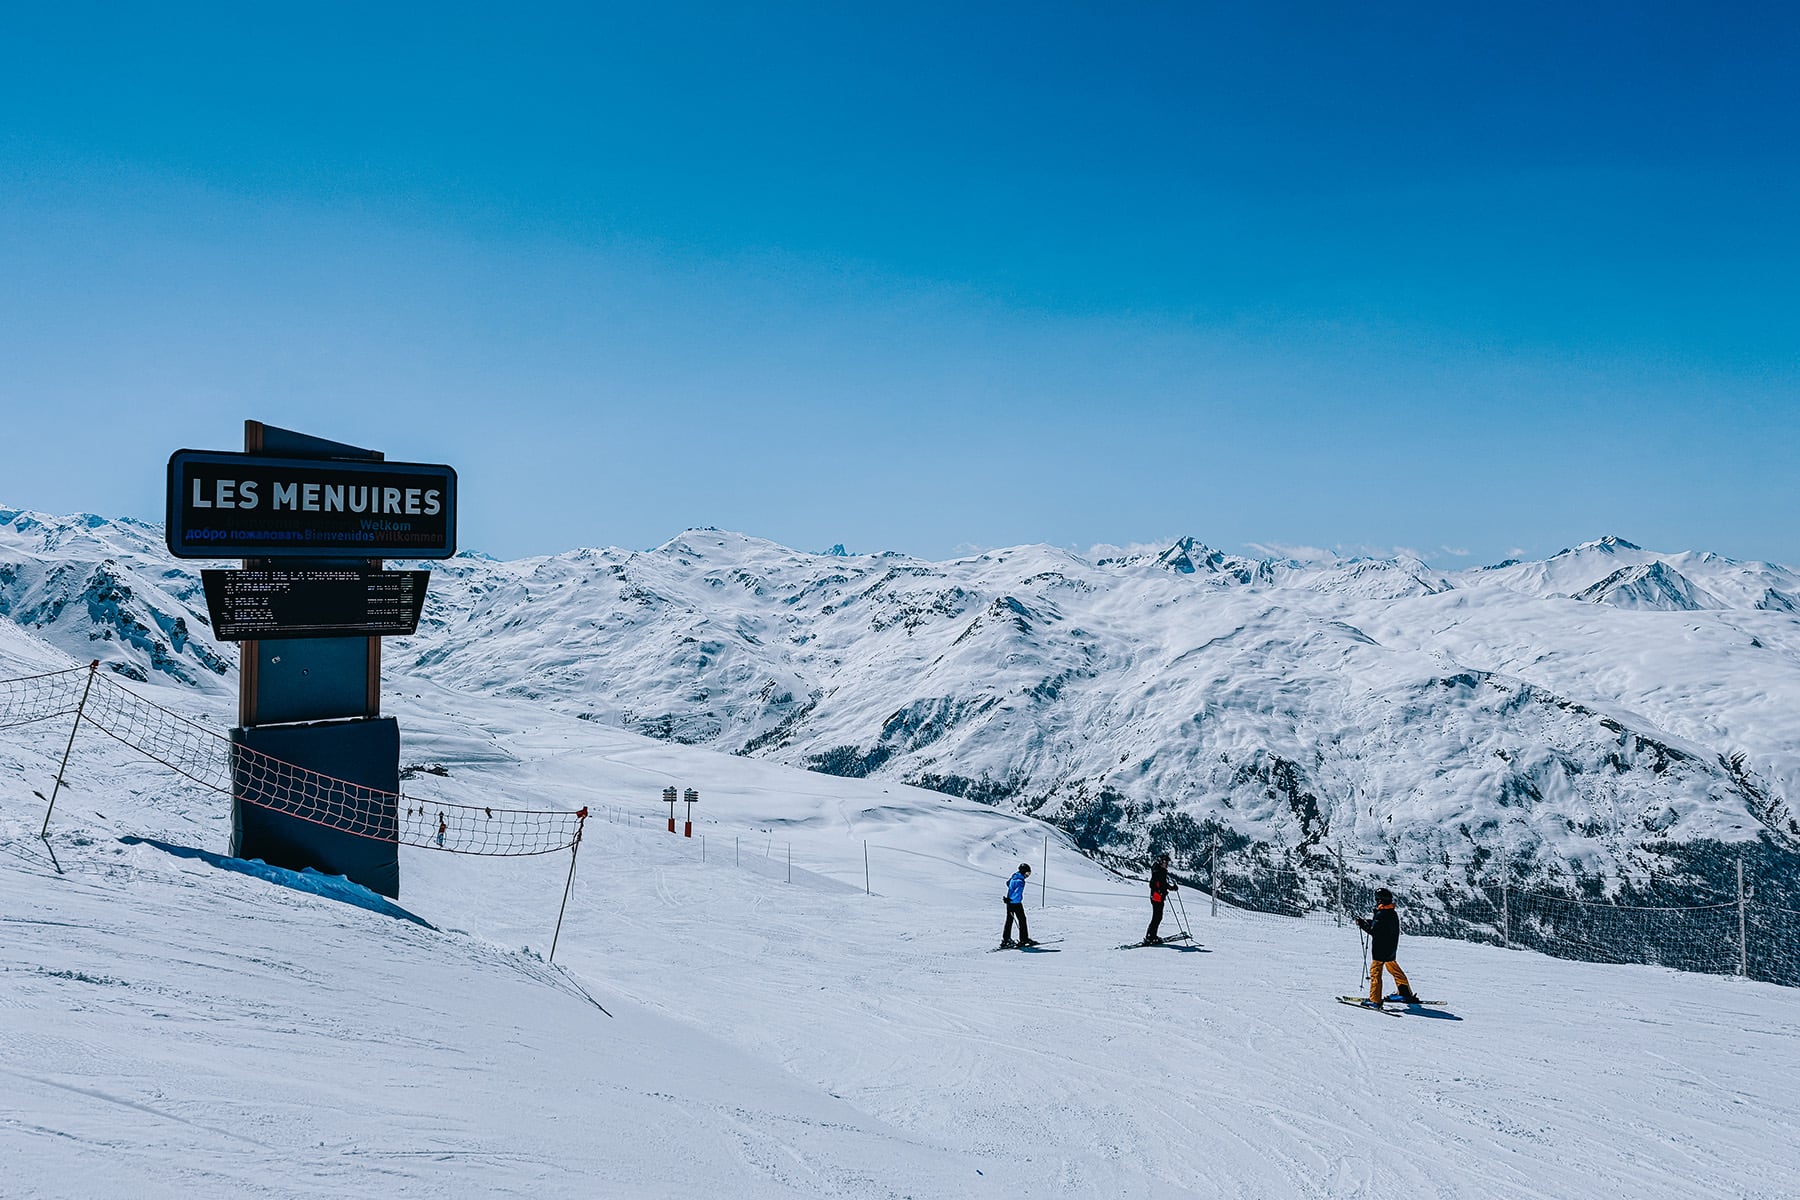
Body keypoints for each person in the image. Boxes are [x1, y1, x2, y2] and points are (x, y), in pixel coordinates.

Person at [1355, 888, 1421, 1006]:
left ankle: (1375, 1000)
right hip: (1391, 949)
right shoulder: (1391, 912)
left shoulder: (1381, 914)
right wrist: (1371, 922)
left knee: (1375, 972)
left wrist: (1362, 924)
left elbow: (1374, 931)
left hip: (1380, 950)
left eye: (1377, 899)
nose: (1376, 902)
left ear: (1381, 900)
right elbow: (1382, 928)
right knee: (1394, 969)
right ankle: (1404, 993)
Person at [1001, 862, 1036, 947]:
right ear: (1023, 872)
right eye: (1027, 873)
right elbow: (1017, 893)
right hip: (1016, 903)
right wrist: (1011, 899)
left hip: (1009, 903)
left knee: (1009, 920)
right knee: (1022, 920)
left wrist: (1009, 898)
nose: (1027, 876)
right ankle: (1024, 939)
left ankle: (1006, 940)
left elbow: (1007, 883)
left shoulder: (1014, 876)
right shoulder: (1021, 881)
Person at [1144, 852, 1176, 944]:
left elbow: (1163, 884)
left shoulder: (1160, 871)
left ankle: (1151, 936)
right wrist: (1159, 891)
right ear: (1161, 862)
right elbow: (1152, 884)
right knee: (1157, 917)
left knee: (1158, 917)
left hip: (1158, 897)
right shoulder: (1157, 871)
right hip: (1156, 898)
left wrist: (1171, 888)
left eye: (1167, 863)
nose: (1167, 864)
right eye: (1165, 862)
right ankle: (1150, 936)